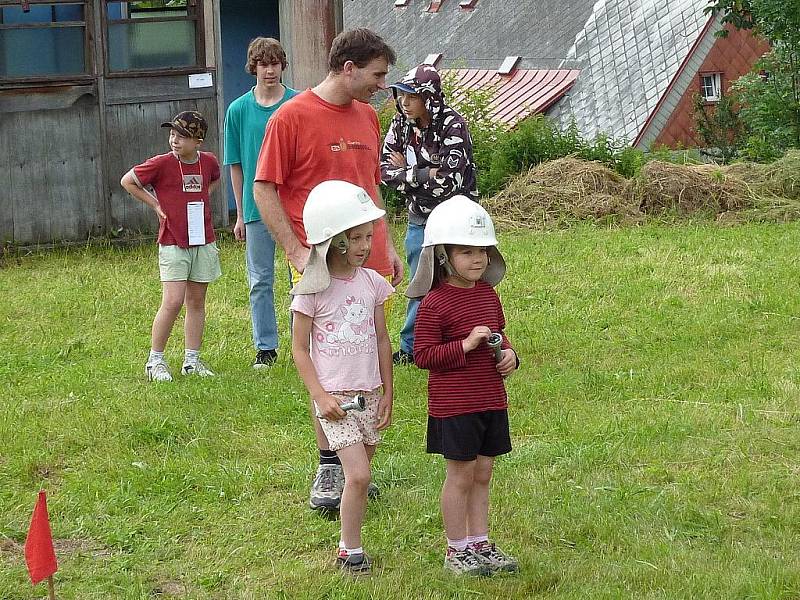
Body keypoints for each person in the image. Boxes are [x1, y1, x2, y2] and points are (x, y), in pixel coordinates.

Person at [253, 28, 403, 511]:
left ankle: (356, 460)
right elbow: (264, 189)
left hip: (368, 258)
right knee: (327, 361)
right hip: (317, 262)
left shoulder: (367, 117)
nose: (382, 85)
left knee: (362, 353)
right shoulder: (291, 117)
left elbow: (372, 187)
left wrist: (390, 245)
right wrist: (297, 252)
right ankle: (329, 468)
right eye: (377, 74)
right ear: (348, 67)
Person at [408, 196, 519, 576]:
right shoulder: (434, 304)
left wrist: (508, 355)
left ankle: (480, 542)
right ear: (443, 255)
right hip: (455, 406)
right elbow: (423, 355)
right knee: (461, 474)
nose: (478, 260)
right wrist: (465, 345)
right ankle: (456, 549)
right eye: (467, 252)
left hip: (490, 399)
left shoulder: (488, 294)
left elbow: (501, 337)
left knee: (484, 471)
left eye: (483, 251)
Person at [290, 180, 394, 576]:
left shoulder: (372, 284)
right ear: (334, 241)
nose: (366, 245)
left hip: (368, 395)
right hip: (335, 401)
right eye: (357, 238)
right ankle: (349, 549)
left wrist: (388, 394)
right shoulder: (311, 291)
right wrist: (320, 397)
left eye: (369, 236)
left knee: (360, 480)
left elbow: (383, 339)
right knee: (360, 474)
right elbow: (300, 349)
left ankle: (350, 534)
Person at [381, 64, 478, 366]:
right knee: (420, 280)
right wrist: (426, 172)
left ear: (428, 97)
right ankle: (411, 347)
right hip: (419, 218)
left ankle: (463, 336)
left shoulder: (453, 125)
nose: (404, 103)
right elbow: (384, 172)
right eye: (402, 96)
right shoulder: (400, 124)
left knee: (459, 277)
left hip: (455, 220)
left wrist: (407, 172)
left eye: (411, 96)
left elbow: (449, 181)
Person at [120, 111, 221, 382]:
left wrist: (201, 198)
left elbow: (214, 179)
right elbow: (128, 181)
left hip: (203, 239)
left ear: (198, 141)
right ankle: (155, 360)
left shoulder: (208, 162)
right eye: (172, 134)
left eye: (182, 136)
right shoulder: (161, 163)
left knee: (196, 301)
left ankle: (192, 360)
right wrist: (155, 204)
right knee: (173, 301)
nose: (174, 140)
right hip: (173, 242)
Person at [224, 37, 298, 369]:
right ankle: (265, 347)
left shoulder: (298, 104)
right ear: (253, 67)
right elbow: (236, 164)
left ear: (283, 65)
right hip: (256, 208)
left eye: (275, 63)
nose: (270, 70)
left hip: (295, 206)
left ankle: (304, 343)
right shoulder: (237, 110)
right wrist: (239, 213)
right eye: (263, 64)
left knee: (302, 275)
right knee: (260, 280)